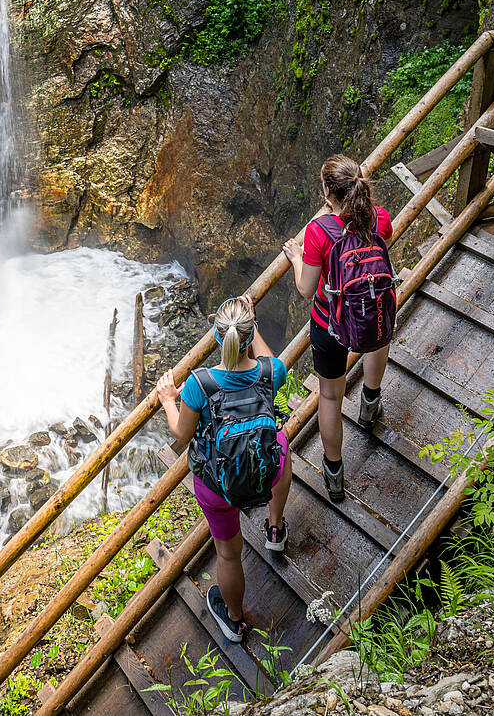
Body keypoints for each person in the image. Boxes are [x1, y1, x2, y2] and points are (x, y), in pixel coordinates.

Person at [157, 296, 292, 643]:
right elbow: (271, 360)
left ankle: (233, 620)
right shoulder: (270, 372)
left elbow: (180, 433)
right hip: (265, 471)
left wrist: (168, 400)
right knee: (281, 438)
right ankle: (274, 529)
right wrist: (253, 324)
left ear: (218, 338)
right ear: (249, 335)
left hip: (218, 486)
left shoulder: (200, 384)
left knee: (228, 554)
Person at [283, 154, 394, 504]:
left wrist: (298, 257)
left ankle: (334, 474)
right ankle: (370, 404)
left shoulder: (318, 232)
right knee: (377, 342)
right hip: (370, 309)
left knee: (330, 396)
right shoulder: (379, 218)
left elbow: (306, 288)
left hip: (329, 323)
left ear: (327, 192)